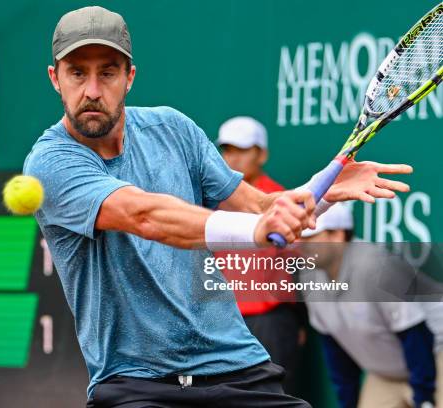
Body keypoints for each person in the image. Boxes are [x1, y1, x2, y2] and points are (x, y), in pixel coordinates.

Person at [23, 6, 413, 407]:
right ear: (55, 78)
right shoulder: (50, 164)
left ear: (129, 78)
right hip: (137, 383)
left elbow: (257, 207)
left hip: (237, 367)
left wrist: (322, 191)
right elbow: (142, 215)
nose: (91, 89)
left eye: (107, 72)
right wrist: (258, 230)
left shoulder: (173, 128)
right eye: (76, 73)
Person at [299, 204, 436, 408]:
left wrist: (424, 396)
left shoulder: (376, 267)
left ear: (337, 235)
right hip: (386, 373)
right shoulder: (308, 276)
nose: (302, 245)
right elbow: (335, 350)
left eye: (310, 237)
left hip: (434, 359)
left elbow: (417, 336)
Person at [217, 116, 305, 395]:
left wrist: (300, 321)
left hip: (271, 321)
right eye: (228, 150)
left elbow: (299, 267)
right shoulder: (211, 198)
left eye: (243, 150)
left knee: (272, 397)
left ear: (261, 154)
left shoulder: (282, 200)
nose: (233, 158)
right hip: (223, 321)